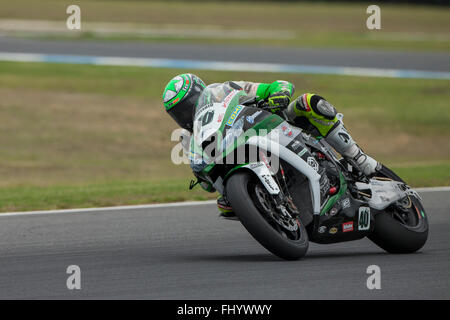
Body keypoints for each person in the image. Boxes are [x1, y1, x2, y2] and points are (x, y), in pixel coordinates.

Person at [163, 73, 380, 219]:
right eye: (178, 113)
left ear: (200, 93)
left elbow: (279, 86)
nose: (184, 115)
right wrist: (211, 181)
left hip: (274, 126)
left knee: (309, 102)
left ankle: (357, 157)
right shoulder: (187, 138)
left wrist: (279, 95)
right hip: (239, 152)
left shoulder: (225, 90)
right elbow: (206, 182)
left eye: (187, 105)